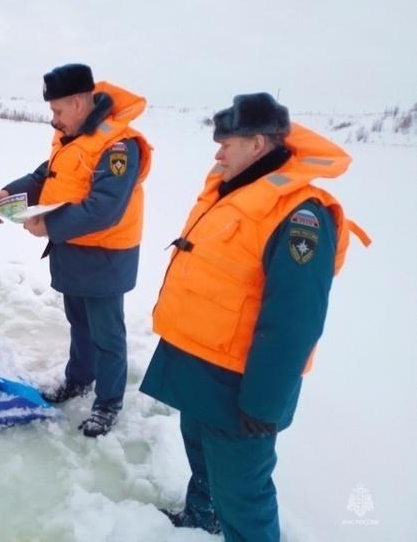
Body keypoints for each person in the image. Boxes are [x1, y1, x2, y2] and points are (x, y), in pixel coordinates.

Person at [140, 93, 370, 539]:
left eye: (227, 142)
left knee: (243, 491)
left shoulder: (302, 215)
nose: (218, 151)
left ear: (259, 144)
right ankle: (202, 516)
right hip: (198, 363)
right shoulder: (235, 191)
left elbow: (295, 318)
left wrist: (263, 401)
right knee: (202, 456)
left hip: (241, 382)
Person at [0, 64, 152, 437]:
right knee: (79, 324)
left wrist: (50, 226)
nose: (53, 120)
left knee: (107, 336)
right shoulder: (74, 137)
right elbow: (44, 176)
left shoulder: (119, 147)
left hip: (105, 257)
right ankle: (78, 379)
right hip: (73, 252)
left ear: (80, 103)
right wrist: (9, 193)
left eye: (58, 111)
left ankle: (108, 404)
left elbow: (105, 208)